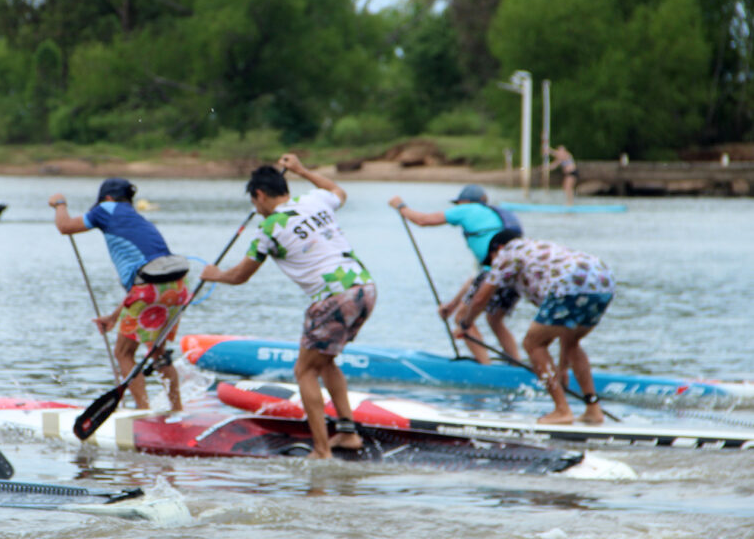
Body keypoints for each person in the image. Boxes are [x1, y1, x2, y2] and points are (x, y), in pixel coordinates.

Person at [201, 154, 377, 459]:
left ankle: (321, 450)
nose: (256, 210)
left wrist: (215, 275)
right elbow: (340, 192)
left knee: (304, 371)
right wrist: (303, 170)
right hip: (366, 288)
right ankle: (347, 433)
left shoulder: (268, 228)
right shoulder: (314, 200)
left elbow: (240, 276)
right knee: (326, 361)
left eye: (255, 203)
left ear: (260, 194)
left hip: (333, 296)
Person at [48, 178, 189, 411]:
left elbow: (65, 227)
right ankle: (177, 409)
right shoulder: (135, 216)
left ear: (108, 198)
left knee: (123, 352)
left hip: (148, 287)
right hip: (176, 287)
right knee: (158, 352)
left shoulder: (106, 208)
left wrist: (59, 204)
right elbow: (144, 287)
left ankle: (142, 412)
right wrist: (114, 317)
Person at [455, 232, 615, 425]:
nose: (492, 265)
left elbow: (480, 298)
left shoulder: (507, 253)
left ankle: (562, 411)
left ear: (497, 249)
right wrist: (561, 368)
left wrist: (465, 323)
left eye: (491, 260)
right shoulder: (537, 247)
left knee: (533, 344)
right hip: (603, 280)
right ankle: (593, 410)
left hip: (570, 284)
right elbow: (563, 335)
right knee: (572, 342)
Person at [387, 184, 522, 364]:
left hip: (494, 275)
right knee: (495, 320)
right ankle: (517, 365)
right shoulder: (494, 216)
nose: (457, 207)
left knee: (462, 320)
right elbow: (477, 277)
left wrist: (400, 206)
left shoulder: (468, 209)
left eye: (459, 203)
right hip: (514, 275)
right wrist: (451, 305)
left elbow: (423, 220)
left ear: (466, 202)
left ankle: (485, 368)